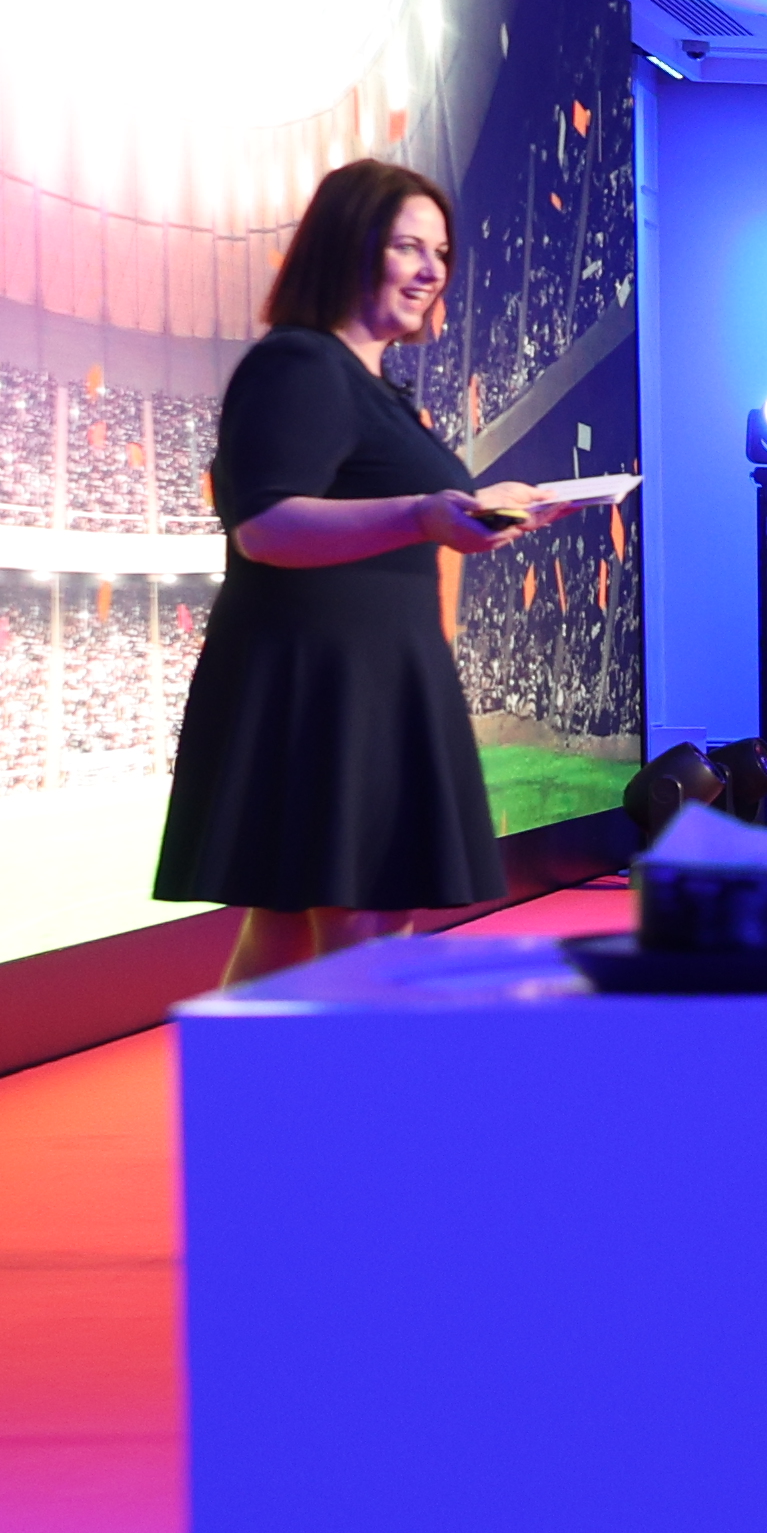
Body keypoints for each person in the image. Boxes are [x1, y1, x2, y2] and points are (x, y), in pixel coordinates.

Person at [155, 160, 527, 981]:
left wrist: (483, 508)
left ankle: (267, 1104)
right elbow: (265, 526)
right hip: (326, 679)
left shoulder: (378, 389)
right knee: (352, 913)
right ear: (347, 249)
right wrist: (425, 514)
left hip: (374, 671)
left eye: (440, 251)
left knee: (301, 923)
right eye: (408, 246)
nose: (432, 269)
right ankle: (335, 1105)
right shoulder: (300, 364)